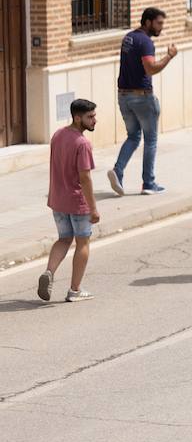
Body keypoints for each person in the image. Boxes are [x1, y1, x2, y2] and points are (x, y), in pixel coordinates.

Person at [109, 7, 177, 197]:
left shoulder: (128, 37)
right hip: (142, 97)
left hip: (123, 96)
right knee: (151, 140)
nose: (161, 27)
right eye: (159, 23)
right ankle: (148, 183)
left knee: (133, 136)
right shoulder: (146, 42)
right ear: (147, 22)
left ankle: (117, 171)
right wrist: (170, 55)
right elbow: (150, 69)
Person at [39, 98, 100, 303]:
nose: (94, 120)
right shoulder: (82, 144)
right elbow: (85, 178)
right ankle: (75, 290)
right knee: (82, 242)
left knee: (64, 238)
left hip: (57, 199)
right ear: (77, 118)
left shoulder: (58, 135)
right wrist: (93, 208)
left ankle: (49, 272)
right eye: (90, 117)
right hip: (77, 202)